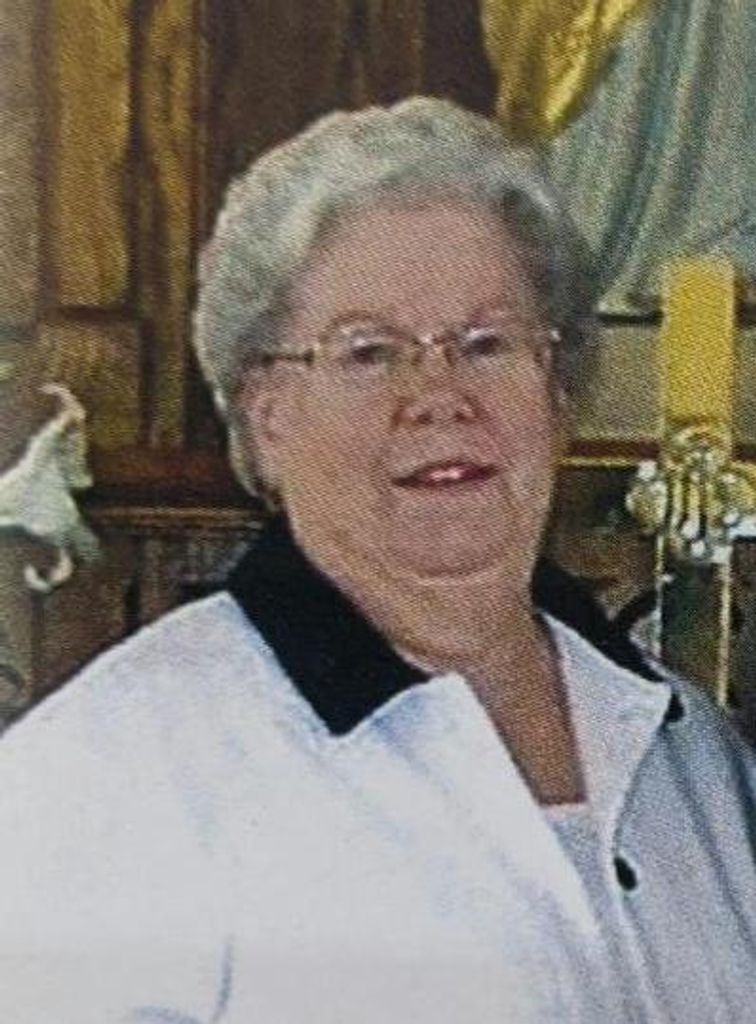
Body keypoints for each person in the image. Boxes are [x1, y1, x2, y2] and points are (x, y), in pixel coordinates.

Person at [1, 97, 755, 1024]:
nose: (439, 396)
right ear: (266, 416)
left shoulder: (692, 752)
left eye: (487, 343)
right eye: (368, 352)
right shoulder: (110, 774)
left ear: (559, 393)